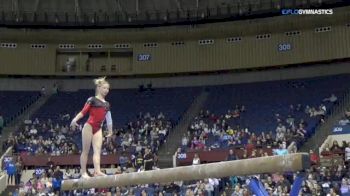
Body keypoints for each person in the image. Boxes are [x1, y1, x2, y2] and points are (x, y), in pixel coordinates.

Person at [70, 76, 113, 178]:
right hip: (89, 126)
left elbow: (109, 119)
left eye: (108, 89)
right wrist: (75, 119)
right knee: (86, 150)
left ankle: (97, 171)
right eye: (104, 88)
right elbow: (83, 112)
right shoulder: (92, 100)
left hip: (98, 128)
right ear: (98, 87)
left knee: (97, 151)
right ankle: (84, 172)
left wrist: (110, 132)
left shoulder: (107, 104)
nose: (106, 90)